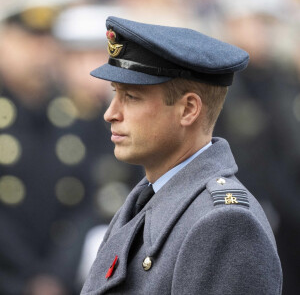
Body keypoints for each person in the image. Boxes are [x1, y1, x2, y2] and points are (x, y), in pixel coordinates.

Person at [81, 17, 282, 295]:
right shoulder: (145, 200)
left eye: (131, 97)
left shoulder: (224, 223)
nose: (111, 113)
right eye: (115, 94)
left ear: (188, 109)